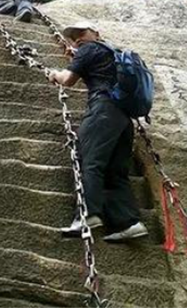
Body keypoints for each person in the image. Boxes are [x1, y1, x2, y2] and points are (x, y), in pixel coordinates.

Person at [49, 22, 148, 242]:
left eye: (81, 33)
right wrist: (77, 59)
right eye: (73, 36)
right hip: (123, 118)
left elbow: (67, 80)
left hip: (102, 110)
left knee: (88, 159)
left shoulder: (88, 49)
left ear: (95, 33)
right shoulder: (113, 53)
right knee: (115, 170)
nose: (77, 39)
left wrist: (55, 74)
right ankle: (129, 222)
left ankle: (88, 215)